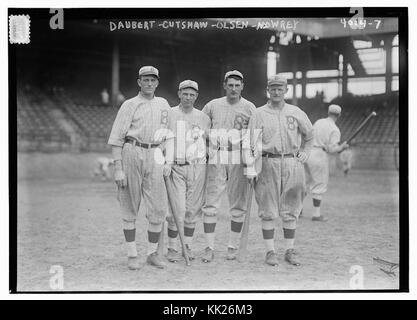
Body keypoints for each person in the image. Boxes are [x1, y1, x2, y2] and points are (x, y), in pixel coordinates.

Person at [243, 74, 314, 266]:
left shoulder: (296, 112)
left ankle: (289, 249)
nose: (276, 92)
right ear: (268, 90)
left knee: (291, 209)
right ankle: (270, 251)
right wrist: (251, 167)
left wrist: (305, 151)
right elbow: (251, 142)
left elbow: (309, 135)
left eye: (279, 88)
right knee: (268, 210)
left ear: (286, 90)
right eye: (273, 88)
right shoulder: (258, 113)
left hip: (292, 163)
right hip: (267, 162)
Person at [107, 66, 172, 270]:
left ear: (157, 82)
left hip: (156, 153)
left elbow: (169, 135)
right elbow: (117, 138)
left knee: (159, 207)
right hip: (132, 152)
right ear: (139, 82)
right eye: (145, 80)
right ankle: (132, 254)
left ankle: (152, 254)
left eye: (153, 80)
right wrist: (118, 168)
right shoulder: (129, 104)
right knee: (130, 205)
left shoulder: (163, 104)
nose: (149, 83)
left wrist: (168, 160)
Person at [200, 70, 256, 262]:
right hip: (217, 154)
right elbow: (200, 128)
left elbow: (254, 137)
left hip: (239, 155)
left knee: (238, 205)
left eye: (237, 85)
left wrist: (251, 164)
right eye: (230, 85)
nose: (233, 89)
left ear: (242, 86)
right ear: (224, 85)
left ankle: (232, 246)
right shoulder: (212, 105)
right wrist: (208, 146)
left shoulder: (250, 108)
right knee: (211, 203)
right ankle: (208, 247)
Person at [164, 80, 211, 263]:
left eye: (192, 94)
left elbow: (210, 140)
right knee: (178, 210)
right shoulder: (170, 114)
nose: (188, 97)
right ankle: (172, 247)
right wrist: (166, 161)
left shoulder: (203, 117)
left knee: (192, 210)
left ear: (196, 96)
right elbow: (163, 138)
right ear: (179, 94)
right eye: (185, 94)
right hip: (176, 166)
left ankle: (187, 246)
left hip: (197, 167)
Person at [304, 104, 349, 222]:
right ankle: (316, 214)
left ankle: (298, 211)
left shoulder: (319, 122)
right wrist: (342, 147)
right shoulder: (335, 129)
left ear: (328, 112)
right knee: (319, 183)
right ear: (339, 115)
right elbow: (332, 149)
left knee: (304, 182)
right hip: (319, 154)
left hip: (307, 152)